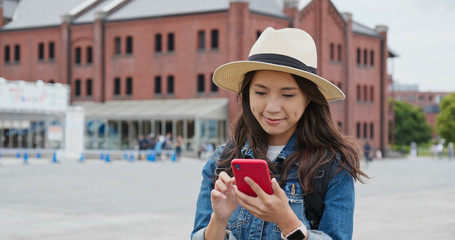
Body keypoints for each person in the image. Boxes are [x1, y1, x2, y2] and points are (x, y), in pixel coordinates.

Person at [191, 27, 367, 240]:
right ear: (247, 93)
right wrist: (218, 220)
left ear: (309, 98)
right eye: (261, 92)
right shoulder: (222, 161)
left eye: (287, 94)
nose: (272, 107)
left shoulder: (332, 167)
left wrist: (287, 221)